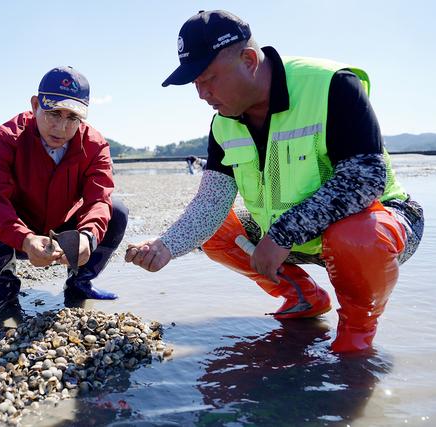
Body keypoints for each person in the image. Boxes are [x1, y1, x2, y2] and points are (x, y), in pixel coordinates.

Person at [125, 10, 424, 352]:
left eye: (208, 78)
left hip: (380, 226)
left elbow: (365, 178)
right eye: (195, 83)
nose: (201, 94)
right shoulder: (223, 123)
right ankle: (304, 298)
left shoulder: (331, 85)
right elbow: (211, 203)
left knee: (357, 236)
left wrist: (284, 233)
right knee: (217, 231)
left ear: (249, 59)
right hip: (291, 242)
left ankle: (355, 341)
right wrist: (166, 247)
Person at [0, 66, 128, 312]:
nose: (61, 128)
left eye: (72, 118)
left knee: (116, 210)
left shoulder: (95, 145)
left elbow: (99, 199)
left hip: (67, 231)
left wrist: (88, 236)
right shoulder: (8, 137)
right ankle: (5, 285)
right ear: (35, 105)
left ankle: (80, 281)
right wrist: (25, 238)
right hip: (18, 229)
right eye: (53, 113)